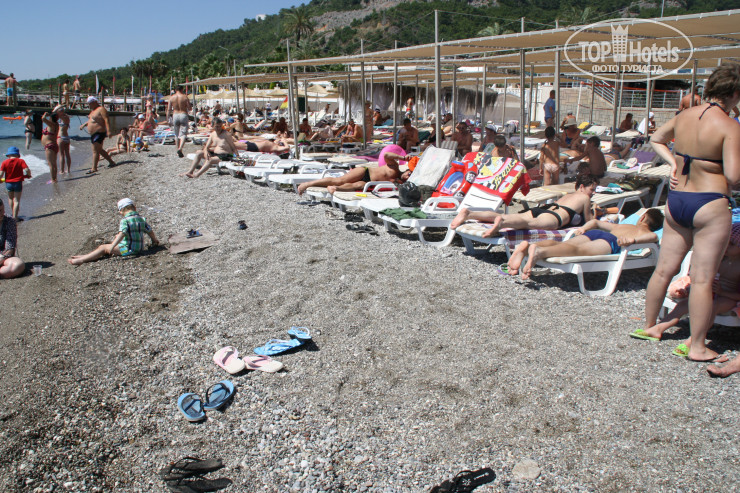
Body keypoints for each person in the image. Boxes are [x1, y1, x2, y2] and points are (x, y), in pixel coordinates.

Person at [643, 63, 740, 363]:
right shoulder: (729, 126)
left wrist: (674, 163)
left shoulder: (684, 116)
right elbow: (734, 177)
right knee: (702, 279)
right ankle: (697, 346)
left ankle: (650, 326)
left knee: (664, 269)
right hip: (710, 202)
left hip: (678, 200)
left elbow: (655, 139)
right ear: (734, 93)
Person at [632, 242, 740, 346]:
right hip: (712, 293)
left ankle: (693, 341)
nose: (727, 246)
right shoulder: (720, 260)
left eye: (732, 244)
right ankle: (658, 328)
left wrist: (722, 292)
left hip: (729, 298)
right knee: (683, 304)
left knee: (712, 307)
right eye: (727, 242)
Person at [510, 208, 664, 279]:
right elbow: (653, 238)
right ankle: (539, 252)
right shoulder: (647, 233)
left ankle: (528, 247)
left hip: (596, 233)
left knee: (566, 244)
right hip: (611, 242)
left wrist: (583, 228)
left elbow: (595, 222)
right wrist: (633, 241)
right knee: (576, 250)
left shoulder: (623, 225)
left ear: (642, 217)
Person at [450, 174, 599, 237]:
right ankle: (502, 224)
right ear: (581, 187)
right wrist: (596, 212)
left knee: (509, 216)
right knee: (527, 224)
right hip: (554, 217)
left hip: (543, 209)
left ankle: (469, 214)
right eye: (591, 189)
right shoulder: (584, 198)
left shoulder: (568, 195)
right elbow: (589, 221)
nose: (592, 193)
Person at [68, 198, 159, 265]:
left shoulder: (125, 221)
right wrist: (154, 241)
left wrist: (112, 246)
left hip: (129, 249)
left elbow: (122, 234)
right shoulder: (141, 219)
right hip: (139, 248)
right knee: (110, 244)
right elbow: (150, 231)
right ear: (135, 208)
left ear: (121, 211)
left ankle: (82, 260)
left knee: (103, 248)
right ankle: (86, 256)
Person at [296, 153, 412, 196]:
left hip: (367, 183)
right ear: (406, 169)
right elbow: (386, 155)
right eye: (409, 173)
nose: (408, 176)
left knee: (357, 186)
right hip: (365, 172)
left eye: (410, 177)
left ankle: (334, 188)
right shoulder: (395, 167)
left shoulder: (399, 182)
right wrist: (402, 157)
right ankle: (307, 184)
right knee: (340, 180)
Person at [79, 96, 115, 173]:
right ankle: (111, 162)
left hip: (99, 132)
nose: (89, 105)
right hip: (93, 134)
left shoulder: (101, 109)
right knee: (99, 150)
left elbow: (106, 119)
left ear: (94, 102)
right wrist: (84, 125)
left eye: (90, 103)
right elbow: (91, 120)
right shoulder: (93, 111)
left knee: (95, 150)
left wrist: (109, 131)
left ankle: (94, 168)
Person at [0, 147, 31, 220]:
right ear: (17, 154)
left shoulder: (4, 162)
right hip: (18, 183)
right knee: (16, 200)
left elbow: (1, 174)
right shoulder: (21, 161)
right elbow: (27, 169)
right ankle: (15, 217)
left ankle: (13, 213)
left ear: (8, 155)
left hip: (8, 183)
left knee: (11, 198)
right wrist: (28, 175)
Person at [0, 200, 25, 278]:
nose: (2, 213)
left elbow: (10, 248)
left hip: (3, 257)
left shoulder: (9, 221)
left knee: (18, 265)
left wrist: (2, 258)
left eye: (3, 210)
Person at [166, 85, 192, 158]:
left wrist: (167, 118)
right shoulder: (185, 97)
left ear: (175, 90)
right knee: (183, 134)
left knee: (176, 134)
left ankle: (177, 150)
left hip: (175, 115)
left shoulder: (171, 97)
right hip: (183, 114)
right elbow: (190, 108)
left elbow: (169, 109)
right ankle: (180, 148)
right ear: (182, 89)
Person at [41, 111, 59, 183]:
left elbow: (43, 119)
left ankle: (53, 179)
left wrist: (45, 114)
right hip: (54, 145)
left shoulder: (52, 125)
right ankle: (55, 178)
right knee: (54, 163)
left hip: (49, 146)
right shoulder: (56, 124)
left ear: (51, 118)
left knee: (51, 164)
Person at [55, 106, 72, 175]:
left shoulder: (64, 118)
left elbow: (55, 114)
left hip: (61, 137)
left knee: (61, 155)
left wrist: (56, 109)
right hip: (66, 137)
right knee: (67, 154)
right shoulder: (66, 117)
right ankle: (68, 170)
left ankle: (62, 170)